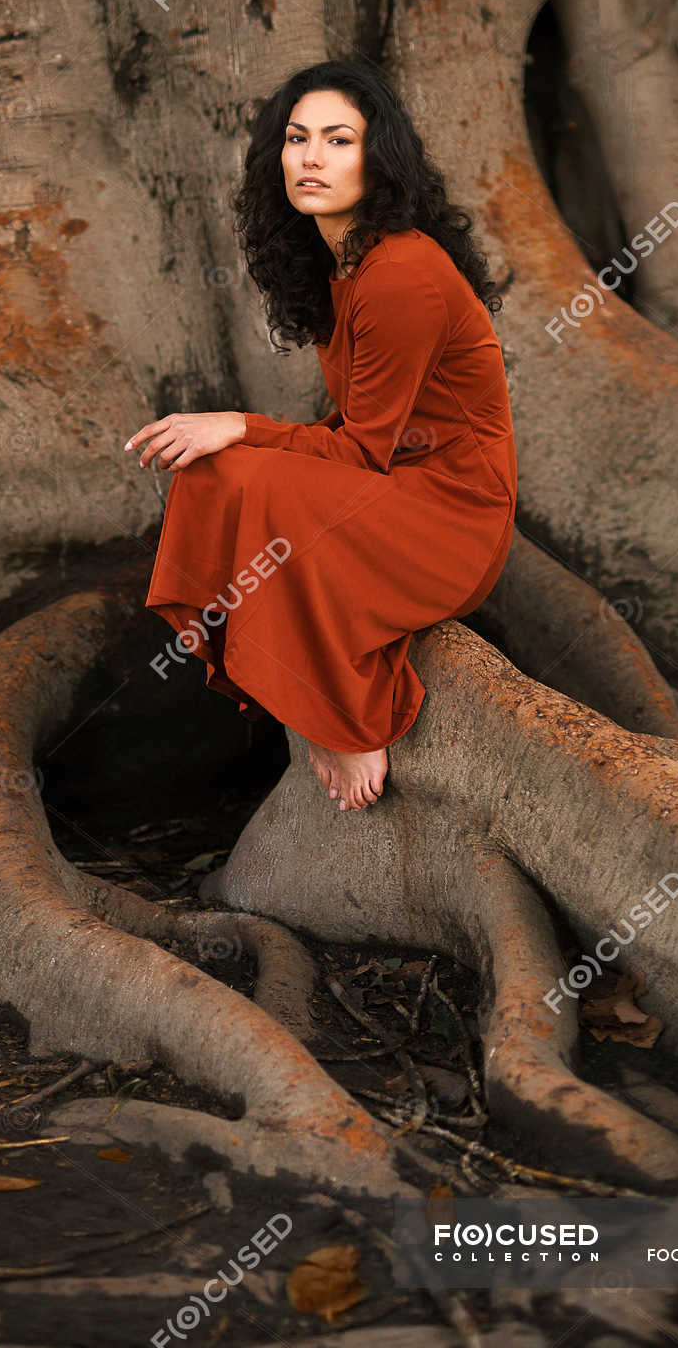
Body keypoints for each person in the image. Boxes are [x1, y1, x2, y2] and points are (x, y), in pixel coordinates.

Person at [125, 59, 517, 813]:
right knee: (217, 476)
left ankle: (343, 716)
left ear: (380, 158)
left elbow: (361, 451)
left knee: (250, 471)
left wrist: (240, 423)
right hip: (399, 492)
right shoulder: (344, 261)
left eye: (339, 140)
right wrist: (239, 442)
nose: (311, 158)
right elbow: (363, 438)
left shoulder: (402, 274)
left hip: (452, 520)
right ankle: (307, 687)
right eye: (297, 138)